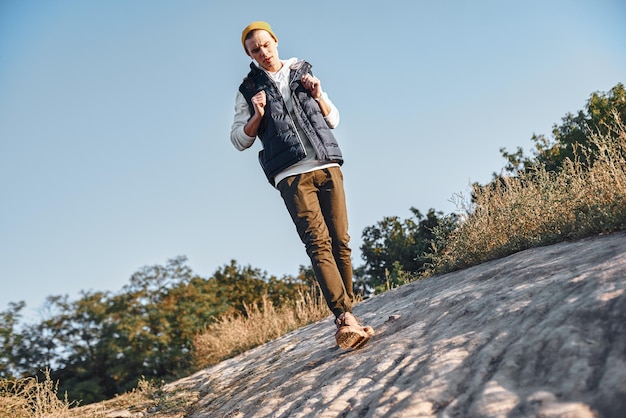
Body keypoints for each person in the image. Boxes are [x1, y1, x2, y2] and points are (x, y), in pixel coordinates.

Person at [230, 21, 374, 349]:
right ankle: (344, 318)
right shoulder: (248, 89)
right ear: (248, 54)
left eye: (266, 45)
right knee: (318, 244)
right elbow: (239, 140)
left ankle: (350, 316)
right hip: (291, 175)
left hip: (326, 164)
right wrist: (257, 115)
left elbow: (333, 118)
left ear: (276, 42)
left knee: (341, 241)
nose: (263, 53)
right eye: (255, 50)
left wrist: (318, 94)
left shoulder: (303, 73)